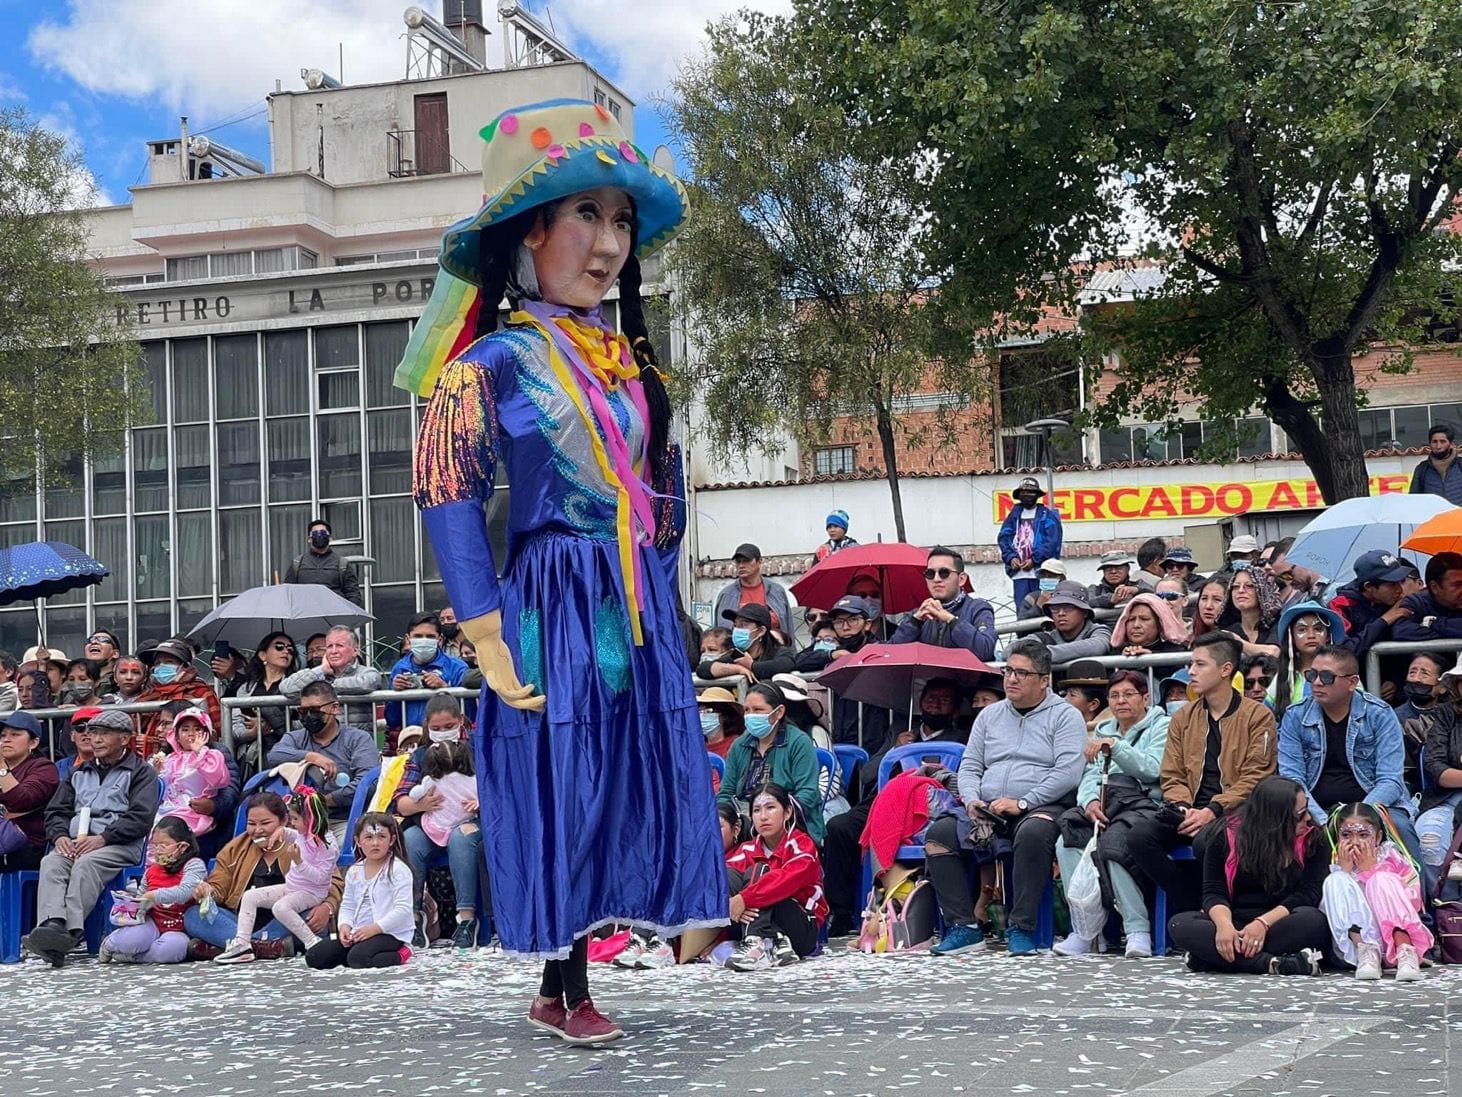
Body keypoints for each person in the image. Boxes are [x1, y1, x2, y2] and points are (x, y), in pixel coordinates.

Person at [400, 99, 726, 1046]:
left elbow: (663, 490)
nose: (610, 242)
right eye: (587, 214)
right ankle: (563, 981)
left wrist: (660, 603)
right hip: (549, 597)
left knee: (627, 772)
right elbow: (445, 487)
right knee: (563, 771)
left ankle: (577, 968)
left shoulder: (631, 365)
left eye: (622, 219)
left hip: (630, 602)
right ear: (529, 232)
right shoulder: (493, 364)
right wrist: (486, 626)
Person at [926, 638, 1086, 957]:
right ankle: (965, 927)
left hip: (1040, 805)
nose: (1011, 679)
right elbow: (970, 765)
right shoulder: (990, 715)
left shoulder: (1066, 716)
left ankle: (1022, 927)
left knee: (1033, 832)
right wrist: (971, 798)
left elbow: (1068, 772)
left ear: (1044, 681)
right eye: (1008, 670)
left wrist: (1024, 801)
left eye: (1022, 673)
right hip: (987, 808)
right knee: (939, 835)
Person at [1120, 633, 1276, 905]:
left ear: (1226, 670)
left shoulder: (1257, 715)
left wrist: (1213, 810)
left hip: (1235, 811)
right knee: (1139, 838)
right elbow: (1172, 773)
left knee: (1208, 841)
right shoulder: (1183, 717)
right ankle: (1189, 903)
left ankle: (1217, 908)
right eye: (1192, 664)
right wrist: (1181, 806)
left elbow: (1256, 776)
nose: (1191, 671)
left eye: (1200, 665)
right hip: (1189, 808)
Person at [822, 678, 964, 935]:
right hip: (883, 800)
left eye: (945, 700)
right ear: (920, 702)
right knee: (838, 827)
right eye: (931, 698)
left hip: (927, 808)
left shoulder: (960, 739)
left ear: (955, 709)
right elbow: (867, 775)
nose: (936, 704)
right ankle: (841, 913)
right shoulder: (900, 730)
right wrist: (895, 750)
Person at [22, 708, 160, 967]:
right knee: (51, 862)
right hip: (76, 842)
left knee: (87, 865)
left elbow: (140, 817)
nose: (95, 738)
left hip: (118, 844)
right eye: (92, 732)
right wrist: (60, 836)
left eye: (104, 733)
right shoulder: (78, 772)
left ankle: (70, 933)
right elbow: (56, 811)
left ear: (124, 738)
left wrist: (104, 838)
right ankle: (52, 924)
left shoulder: (141, 773)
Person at [1053, 670, 1169, 958]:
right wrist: (1090, 801)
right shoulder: (1104, 728)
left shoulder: (1162, 725)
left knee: (1115, 845)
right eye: (1114, 696)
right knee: (1066, 840)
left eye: (1129, 694)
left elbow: (1153, 769)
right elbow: (1090, 775)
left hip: (1143, 805)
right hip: (1106, 805)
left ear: (1145, 698)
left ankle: (1137, 929)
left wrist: (1117, 748)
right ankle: (1086, 931)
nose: (1121, 701)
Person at [1166, 775, 1329, 975]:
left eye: (1306, 809)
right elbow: (1213, 892)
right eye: (1300, 814)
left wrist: (1262, 924)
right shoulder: (1225, 835)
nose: (1308, 818)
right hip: (1233, 921)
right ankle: (1275, 964)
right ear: (1276, 818)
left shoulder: (1314, 838)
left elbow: (1308, 894)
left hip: (1278, 922)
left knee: (1314, 921)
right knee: (1180, 924)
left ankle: (1211, 959)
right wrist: (1224, 927)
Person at [1277, 645, 1418, 864]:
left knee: (1402, 829)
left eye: (1326, 677)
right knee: (1277, 828)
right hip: (1315, 809)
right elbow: (1292, 778)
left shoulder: (1379, 714)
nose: (1316, 682)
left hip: (1375, 805)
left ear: (1352, 682)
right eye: (1312, 675)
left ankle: (1423, 896)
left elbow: (1390, 780)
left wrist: (1357, 817)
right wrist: (1325, 821)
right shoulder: (1295, 716)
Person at [184, 791, 342, 962]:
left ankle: (234, 946)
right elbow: (219, 887)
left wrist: (328, 906)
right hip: (240, 922)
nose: (258, 830)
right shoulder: (234, 849)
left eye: (265, 823)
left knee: (310, 917)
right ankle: (263, 947)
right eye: (251, 824)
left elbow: (330, 881)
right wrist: (208, 891)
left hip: (285, 919)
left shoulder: (306, 842)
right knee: (194, 916)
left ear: (284, 821)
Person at [395, 694, 486, 950]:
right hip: (432, 823)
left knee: (461, 837)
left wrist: (482, 802)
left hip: (473, 820)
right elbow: (400, 801)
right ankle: (413, 917)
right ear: (427, 726)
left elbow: (499, 788)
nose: (443, 732)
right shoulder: (420, 755)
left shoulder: (478, 748)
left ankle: (467, 920)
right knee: (410, 840)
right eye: (436, 729)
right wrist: (419, 805)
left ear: (460, 721)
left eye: (449, 727)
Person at [723, 783, 828, 970]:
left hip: (801, 927)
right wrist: (733, 901)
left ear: (787, 813)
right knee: (728, 875)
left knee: (760, 871)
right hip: (756, 925)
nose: (763, 817)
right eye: (756, 810)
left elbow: (785, 881)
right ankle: (772, 940)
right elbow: (718, 881)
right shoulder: (747, 849)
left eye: (770, 808)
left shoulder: (803, 846)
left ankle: (756, 942)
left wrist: (744, 899)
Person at [1320, 803, 1429, 981]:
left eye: (1363, 835)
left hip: (1394, 938)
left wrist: (1371, 870)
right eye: (1346, 835)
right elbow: (1329, 908)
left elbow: (1414, 901)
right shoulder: (1336, 861)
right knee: (1335, 880)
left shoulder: (1391, 856)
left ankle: (1406, 953)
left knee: (1382, 879)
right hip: (1355, 947)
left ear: (1378, 837)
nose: (1354, 842)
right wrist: (1343, 871)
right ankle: (1367, 953)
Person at [266, 681, 380, 840]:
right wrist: (312, 757)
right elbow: (274, 755)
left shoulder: (358, 738)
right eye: (302, 711)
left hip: (344, 819)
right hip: (299, 822)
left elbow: (368, 783)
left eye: (314, 710)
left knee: (346, 846)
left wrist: (322, 802)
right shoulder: (295, 737)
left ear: (334, 708)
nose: (308, 716)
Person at [306, 812, 415, 970]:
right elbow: (348, 903)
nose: (375, 843)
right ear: (358, 841)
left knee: (358, 959)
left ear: (391, 840)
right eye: (369, 838)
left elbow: (403, 909)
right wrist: (344, 926)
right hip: (359, 933)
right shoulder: (354, 870)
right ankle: (355, 954)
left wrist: (375, 928)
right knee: (315, 956)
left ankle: (402, 953)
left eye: (381, 837)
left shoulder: (398, 870)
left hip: (390, 932)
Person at [717, 683, 824, 844]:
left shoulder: (799, 742)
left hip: (789, 823)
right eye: (747, 710)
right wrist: (729, 820)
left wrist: (770, 817)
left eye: (758, 710)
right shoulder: (739, 745)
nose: (750, 716)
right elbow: (725, 793)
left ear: (779, 712)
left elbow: (807, 794)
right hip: (744, 823)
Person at [97, 815, 207, 965]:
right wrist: (132, 902)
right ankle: (111, 944)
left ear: (182, 846)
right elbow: (142, 896)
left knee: (170, 950)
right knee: (131, 940)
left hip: (180, 928)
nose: (158, 851)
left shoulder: (194, 865)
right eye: (155, 846)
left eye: (164, 845)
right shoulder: (152, 870)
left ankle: (133, 958)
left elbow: (185, 892)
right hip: (152, 921)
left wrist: (154, 896)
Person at [891, 546, 997, 660]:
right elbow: (893, 655)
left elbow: (985, 650)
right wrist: (915, 622)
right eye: (930, 573)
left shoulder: (978, 608)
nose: (936, 579)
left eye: (944, 572)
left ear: (961, 579)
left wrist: (950, 620)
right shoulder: (918, 614)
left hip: (966, 677)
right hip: (928, 677)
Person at [281, 625, 382, 735]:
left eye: (339, 646)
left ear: (355, 650)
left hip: (355, 744)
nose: (333, 651)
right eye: (329, 646)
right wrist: (321, 670)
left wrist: (326, 687)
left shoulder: (367, 672)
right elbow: (286, 688)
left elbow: (366, 684)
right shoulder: (316, 674)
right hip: (320, 744)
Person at [386, 613, 468, 744]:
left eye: (430, 636)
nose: (424, 640)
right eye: (418, 636)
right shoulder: (399, 668)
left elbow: (469, 711)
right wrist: (395, 696)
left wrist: (445, 688)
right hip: (412, 740)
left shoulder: (457, 667)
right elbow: (392, 719)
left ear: (440, 640)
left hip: (448, 741)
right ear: (408, 639)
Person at [134, 639, 222, 760]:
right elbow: (129, 728)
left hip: (191, 761)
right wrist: (139, 740)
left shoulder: (201, 692)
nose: (161, 666)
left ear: (184, 666)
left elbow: (215, 732)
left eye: (168, 661)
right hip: (150, 762)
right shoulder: (147, 696)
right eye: (158, 663)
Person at [228, 631, 299, 773]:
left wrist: (271, 727)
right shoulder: (246, 689)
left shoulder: (297, 687)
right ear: (262, 655)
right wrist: (253, 733)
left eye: (290, 649)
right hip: (251, 758)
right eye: (279, 646)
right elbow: (234, 728)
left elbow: (301, 724)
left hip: (286, 755)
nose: (286, 651)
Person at [1328, 549, 1414, 664]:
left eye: (1401, 581)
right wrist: (1384, 621)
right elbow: (1343, 651)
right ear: (1369, 587)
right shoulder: (1341, 605)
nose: (1399, 590)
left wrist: (1393, 679)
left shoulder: (1398, 604)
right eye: (1392, 584)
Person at [154, 709, 231, 836]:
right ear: (176, 736)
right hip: (167, 810)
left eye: (197, 729)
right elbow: (164, 790)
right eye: (185, 730)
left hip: (195, 813)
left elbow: (219, 780)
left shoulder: (212, 755)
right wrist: (158, 773)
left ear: (207, 733)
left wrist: (200, 753)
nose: (191, 734)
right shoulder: (171, 758)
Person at [0, 711, 59, 871]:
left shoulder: (44, 768)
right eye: (3, 735)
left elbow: (21, 801)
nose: (6, 739)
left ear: (33, 743)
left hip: (26, 845)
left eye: (15, 734)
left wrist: (2, 769)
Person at [1272, 601, 1346, 718]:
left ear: (1328, 636)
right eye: (1302, 630)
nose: (1311, 635)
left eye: (1318, 629)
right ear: (1292, 637)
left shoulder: (1344, 674)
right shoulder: (1282, 677)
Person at [998, 477, 1063, 609]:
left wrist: (1034, 560)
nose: (1027, 496)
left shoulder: (1048, 515)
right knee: (1023, 609)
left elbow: (1052, 542)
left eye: (1031, 493)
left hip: (1044, 572)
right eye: (1024, 493)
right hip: (1019, 574)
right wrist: (1011, 558)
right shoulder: (1013, 516)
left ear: (1037, 495)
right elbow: (1004, 538)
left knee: (1046, 607)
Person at [697, 603, 795, 684]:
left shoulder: (777, 651)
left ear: (761, 631)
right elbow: (703, 669)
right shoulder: (738, 655)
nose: (737, 630)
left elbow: (785, 665)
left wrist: (752, 666)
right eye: (735, 625)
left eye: (743, 625)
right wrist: (738, 669)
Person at [1024, 582, 1112, 663]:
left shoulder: (1099, 631)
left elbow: (1098, 646)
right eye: (1055, 608)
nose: (1061, 613)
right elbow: (1014, 648)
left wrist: (1041, 655)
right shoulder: (1046, 637)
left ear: (1084, 612)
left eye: (1068, 608)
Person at [714, 543, 792, 634]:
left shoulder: (776, 592)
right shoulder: (726, 595)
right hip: (738, 647)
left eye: (746, 561)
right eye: (738, 562)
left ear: (759, 562)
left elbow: (788, 627)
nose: (741, 565)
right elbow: (719, 633)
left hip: (772, 647)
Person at [284, 517, 362, 605]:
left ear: (330, 537)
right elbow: (288, 592)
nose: (319, 535)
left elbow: (353, 594)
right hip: (306, 614)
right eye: (315, 533)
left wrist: (348, 615)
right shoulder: (297, 563)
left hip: (335, 614)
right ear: (309, 539)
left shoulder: (342, 564)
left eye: (323, 532)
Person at [1394, 552, 1462, 644]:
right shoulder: (1416, 602)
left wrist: (1432, 624)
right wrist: (1452, 634)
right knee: (1422, 658)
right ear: (1434, 587)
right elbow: (1401, 631)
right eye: (1457, 585)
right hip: (1434, 657)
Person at [1215, 566, 1281, 659]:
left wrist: (1236, 641)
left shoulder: (1279, 623)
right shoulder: (1228, 630)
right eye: (1235, 586)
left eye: (1249, 586)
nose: (1241, 590)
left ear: (1263, 591)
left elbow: (1273, 652)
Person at [1110, 593, 1188, 657]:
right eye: (1131, 619)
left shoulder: (1176, 652)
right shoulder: (1114, 654)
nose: (1136, 625)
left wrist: (1152, 658)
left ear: (1159, 624)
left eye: (1144, 619)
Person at [1409, 422, 1462, 504]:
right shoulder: (1422, 469)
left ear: (1451, 444)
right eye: (1434, 442)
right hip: (1434, 516)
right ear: (1429, 444)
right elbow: (1413, 500)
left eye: (1443, 441)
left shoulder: (1460, 465)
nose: (1438, 446)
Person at [1057, 661, 1109, 732]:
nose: (1065, 699)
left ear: (1093, 704)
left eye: (1072, 695)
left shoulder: (1108, 733)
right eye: (1065, 694)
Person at [698, 686, 745, 760]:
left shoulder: (738, 745)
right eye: (700, 711)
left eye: (708, 711)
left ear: (724, 716)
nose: (702, 716)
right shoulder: (696, 746)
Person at [1191, 574, 1229, 642]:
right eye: (1204, 598)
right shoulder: (1189, 637)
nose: (1208, 606)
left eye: (1217, 600)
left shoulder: (1235, 637)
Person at [82, 630, 122, 695]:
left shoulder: (121, 682)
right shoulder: (74, 681)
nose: (94, 642)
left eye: (103, 639)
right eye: (90, 640)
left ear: (115, 653)